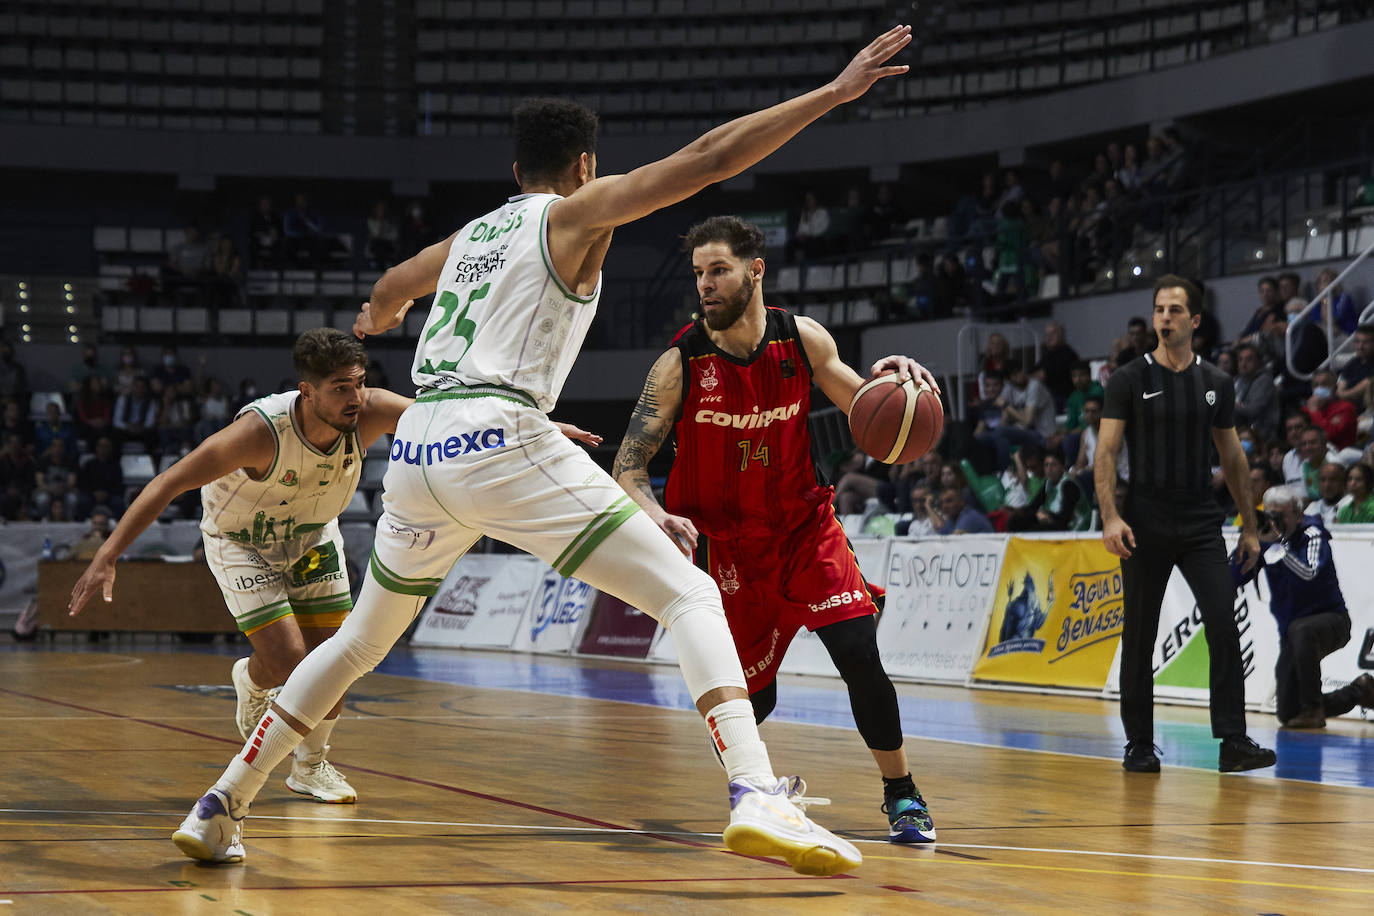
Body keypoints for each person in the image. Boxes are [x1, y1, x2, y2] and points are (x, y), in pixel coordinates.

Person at [168, 27, 916, 873]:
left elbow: (388, 291)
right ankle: (755, 794)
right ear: (586, 167)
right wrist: (831, 94)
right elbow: (709, 158)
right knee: (691, 597)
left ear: (513, 171)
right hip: (496, 430)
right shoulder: (572, 214)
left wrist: (375, 322)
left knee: (357, 646)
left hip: (416, 449)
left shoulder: (472, 240)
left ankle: (221, 803)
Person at [611, 215, 938, 846]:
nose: (705, 285)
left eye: (719, 271)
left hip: (804, 528)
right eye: (699, 273)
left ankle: (903, 794)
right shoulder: (679, 364)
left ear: (754, 271)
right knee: (749, 702)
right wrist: (651, 511)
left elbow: (872, 411)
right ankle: (758, 789)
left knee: (860, 658)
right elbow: (627, 466)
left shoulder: (802, 339)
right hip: (726, 548)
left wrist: (901, 383)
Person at [70, 329, 416, 808]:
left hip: (311, 535)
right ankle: (253, 680)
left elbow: (447, 422)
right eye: (340, 387)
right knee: (287, 661)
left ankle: (311, 767)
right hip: (241, 541)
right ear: (307, 390)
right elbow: (168, 483)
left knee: (332, 661)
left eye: (358, 382)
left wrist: (539, 433)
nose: (355, 397)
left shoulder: (371, 411)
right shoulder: (258, 434)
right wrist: (107, 555)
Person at [1096, 274, 1275, 775]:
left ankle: (1234, 740)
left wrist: (1248, 525)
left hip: (1200, 519)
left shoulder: (1216, 382)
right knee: (1139, 632)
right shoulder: (1128, 379)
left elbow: (1234, 457)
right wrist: (1110, 516)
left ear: (1194, 319)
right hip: (1144, 518)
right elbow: (1106, 453)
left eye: (1175, 310)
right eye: (1159, 310)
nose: (1165, 318)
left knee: (1223, 620)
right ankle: (1139, 744)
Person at [1235, 486, 1374, 728]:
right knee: (1288, 713)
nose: (1274, 522)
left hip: (1332, 621)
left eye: (1282, 515)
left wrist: (1279, 545)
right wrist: (1248, 543)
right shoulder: (1266, 540)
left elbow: (1308, 573)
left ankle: (1313, 709)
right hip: (1293, 632)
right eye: (1270, 514)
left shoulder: (1312, 533)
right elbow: (1232, 577)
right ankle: (1359, 691)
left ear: (1298, 515)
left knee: (1302, 630)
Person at [1305, 461, 1351, 528]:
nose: (1327, 485)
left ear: (1343, 482)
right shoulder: (1312, 507)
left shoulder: (1351, 504)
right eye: (1323, 480)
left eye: (1332, 480)